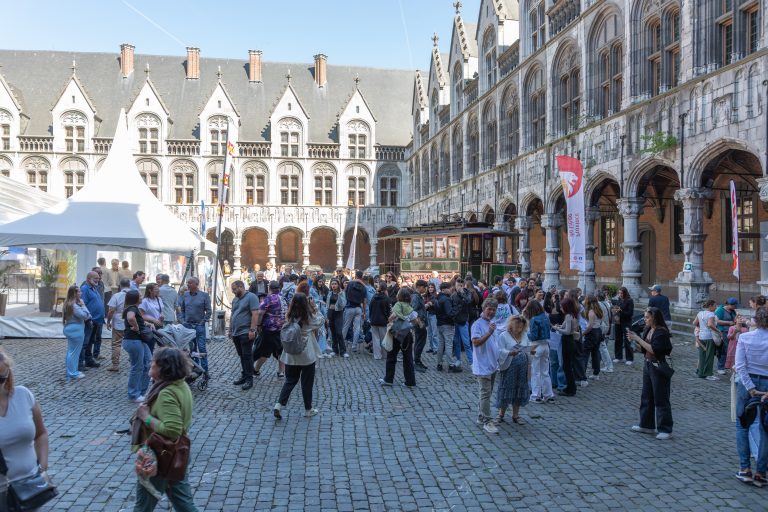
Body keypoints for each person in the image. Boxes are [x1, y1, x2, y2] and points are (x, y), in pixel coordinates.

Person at [134, 347, 199, 511]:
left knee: (142, 506)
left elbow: (172, 429)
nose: (151, 364)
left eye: (154, 363)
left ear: (163, 368)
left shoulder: (166, 393)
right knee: (184, 504)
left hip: (162, 456)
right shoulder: (181, 386)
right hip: (177, 454)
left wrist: (145, 417)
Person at [0, 348, 51, 491]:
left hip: (30, 489)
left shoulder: (23, 395)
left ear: (8, 374)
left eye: (0, 379)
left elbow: (41, 434)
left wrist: (42, 467)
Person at [273, 293, 325, 419]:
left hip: (291, 354)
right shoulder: (308, 316)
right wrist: (315, 308)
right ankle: (308, 409)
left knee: (290, 380)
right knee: (307, 383)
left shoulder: (289, 315)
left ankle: (279, 405)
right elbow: (321, 321)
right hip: (306, 353)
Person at [733, 306, 768, 486]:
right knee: (766, 428)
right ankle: (761, 472)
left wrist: (751, 388)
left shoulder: (745, 338)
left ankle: (745, 468)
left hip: (748, 383)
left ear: (755, 320)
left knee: (743, 425)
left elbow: (740, 366)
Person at [626, 307, 674, 440]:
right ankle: (647, 424)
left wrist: (638, 339)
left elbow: (654, 349)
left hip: (658, 365)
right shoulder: (648, 329)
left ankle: (665, 428)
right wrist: (634, 342)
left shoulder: (661, 332)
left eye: (647, 317)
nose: (645, 319)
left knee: (661, 397)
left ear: (654, 318)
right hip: (648, 364)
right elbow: (644, 349)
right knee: (646, 396)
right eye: (645, 317)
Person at [470, 298, 501, 434]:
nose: (491, 312)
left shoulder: (492, 323)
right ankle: (487, 421)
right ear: (484, 309)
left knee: (487, 393)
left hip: (492, 364)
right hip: (482, 365)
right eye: (489, 309)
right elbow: (476, 342)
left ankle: (482, 416)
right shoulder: (477, 325)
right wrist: (489, 333)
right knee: (485, 394)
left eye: (494, 310)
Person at [496, 314, 532, 423]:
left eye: (521, 327)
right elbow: (499, 350)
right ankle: (501, 414)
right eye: (517, 327)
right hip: (509, 367)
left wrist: (531, 351)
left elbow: (528, 346)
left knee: (519, 389)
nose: (519, 329)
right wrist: (509, 353)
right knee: (506, 388)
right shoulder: (503, 335)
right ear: (511, 325)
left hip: (522, 367)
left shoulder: (524, 335)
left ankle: (515, 415)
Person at [380, 288, 417, 387]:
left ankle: (388, 379)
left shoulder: (397, 305)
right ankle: (410, 381)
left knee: (391, 356)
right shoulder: (410, 307)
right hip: (407, 334)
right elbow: (415, 321)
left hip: (397, 333)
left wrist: (390, 319)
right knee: (408, 357)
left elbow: (392, 317)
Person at [228, 281, 260, 390]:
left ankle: (249, 379)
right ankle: (244, 375)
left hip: (246, 331)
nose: (233, 291)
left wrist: (252, 329)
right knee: (242, 355)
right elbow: (233, 315)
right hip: (236, 332)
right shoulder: (235, 299)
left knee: (247, 355)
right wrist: (230, 330)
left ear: (241, 286)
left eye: (234, 289)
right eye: (232, 289)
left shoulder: (251, 297)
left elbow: (255, 314)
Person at [122, 290, 152, 402]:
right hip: (133, 341)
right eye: (139, 295)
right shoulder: (132, 308)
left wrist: (146, 324)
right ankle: (134, 394)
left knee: (149, 364)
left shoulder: (134, 308)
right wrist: (136, 327)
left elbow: (136, 319)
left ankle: (141, 392)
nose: (141, 296)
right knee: (137, 367)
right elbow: (130, 318)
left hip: (139, 340)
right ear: (135, 298)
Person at [254, 281, 288, 376]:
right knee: (280, 350)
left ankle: (255, 369)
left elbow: (260, 313)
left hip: (269, 329)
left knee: (264, 350)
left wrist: (258, 325)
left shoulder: (269, 299)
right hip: (282, 328)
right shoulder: (284, 298)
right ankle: (281, 371)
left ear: (270, 289)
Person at [179, 277, 211, 374]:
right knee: (192, 349)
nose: (187, 284)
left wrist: (202, 322)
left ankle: (205, 371)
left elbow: (209, 311)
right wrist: (183, 320)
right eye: (187, 283)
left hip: (199, 326)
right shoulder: (185, 295)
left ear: (196, 284)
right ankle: (196, 369)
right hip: (188, 326)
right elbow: (182, 309)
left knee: (202, 348)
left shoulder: (204, 295)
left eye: (190, 283)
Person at [523, 300, 553, 403]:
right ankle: (548, 394)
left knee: (535, 372)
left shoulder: (534, 319)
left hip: (536, 346)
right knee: (545, 371)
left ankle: (536, 395)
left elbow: (533, 336)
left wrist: (526, 333)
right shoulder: (545, 317)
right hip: (545, 345)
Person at [63, 284, 90, 380]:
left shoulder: (68, 303)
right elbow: (85, 316)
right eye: (79, 291)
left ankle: (71, 371)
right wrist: (83, 305)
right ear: (74, 293)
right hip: (76, 330)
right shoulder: (74, 305)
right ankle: (72, 373)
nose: (81, 293)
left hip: (71, 328)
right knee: (74, 352)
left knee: (71, 351)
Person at [554, 298, 580, 396]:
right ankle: (571, 387)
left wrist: (557, 328)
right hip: (569, 342)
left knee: (567, 366)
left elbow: (568, 331)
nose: (560, 308)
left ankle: (571, 389)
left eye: (561, 306)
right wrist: (560, 327)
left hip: (568, 342)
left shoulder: (569, 316)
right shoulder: (570, 315)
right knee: (567, 366)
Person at [80, 270, 104, 369]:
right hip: (89, 320)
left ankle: (89, 359)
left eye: (98, 278)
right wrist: (88, 319)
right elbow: (82, 304)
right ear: (88, 279)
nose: (97, 280)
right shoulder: (85, 289)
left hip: (96, 320)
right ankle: (80, 363)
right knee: (85, 342)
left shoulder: (94, 288)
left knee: (91, 341)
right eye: (95, 279)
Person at [106, 278, 131, 372]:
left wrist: (108, 321)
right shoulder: (134, 294)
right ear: (129, 285)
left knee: (116, 344)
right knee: (132, 342)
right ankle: (134, 361)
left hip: (119, 322)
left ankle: (115, 364)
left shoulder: (116, 295)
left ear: (120, 286)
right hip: (131, 322)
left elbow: (111, 310)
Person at [342, 271, 368, 353]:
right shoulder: (364, 287)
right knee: (357, 328)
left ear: (356, 276)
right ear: (362, 277)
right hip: (358, 308)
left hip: (349, 307)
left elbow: (344, 294)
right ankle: (354, 346)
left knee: (345, 326)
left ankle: (342, 344)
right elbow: (364, 301)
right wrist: (364, 312)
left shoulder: (350, 284)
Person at [694, 299, 719, 381]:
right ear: (710, 306)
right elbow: (710, 324)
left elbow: (694, 323)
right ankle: (708, 374)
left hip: (701, 336)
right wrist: (718, 331)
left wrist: (701, 327)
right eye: (715, 306)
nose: (716, 307)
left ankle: (701, 373)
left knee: (702, 355)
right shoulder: (711, 314)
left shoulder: (700, 313)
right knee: (709, 356)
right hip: (709, 336)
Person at [581, 295, 603, 381]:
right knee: (595, 353)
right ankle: (596, 373)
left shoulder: (591, 312)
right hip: (598, 331)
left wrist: (583, 333)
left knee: (585, 354)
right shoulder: (598, 310)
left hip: (592, 333)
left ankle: (583, 377)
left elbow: (590, 326)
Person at [435, 282, 457, 372]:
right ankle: (451, 365)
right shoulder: (446, 299)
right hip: (447, 324)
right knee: (448, 345)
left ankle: (439, 364)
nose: (451, 289)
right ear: (444, 289)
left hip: (440, 324)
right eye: (449, 288)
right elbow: (449, 313)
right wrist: (456, 309)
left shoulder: (438, 298)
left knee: (441, 345)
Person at [715, 298, 739, 375]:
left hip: (731, 332)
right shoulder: (720, 310)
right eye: (734, 305)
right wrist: (729, 322)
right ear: (729, 304)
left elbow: (734, 320)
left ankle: (727, 366)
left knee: (730, 349)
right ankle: (720, 367)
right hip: (723, 332)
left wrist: (737, 318)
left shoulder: (733, 311)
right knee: (724, 349)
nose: (736, 307)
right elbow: (717, 321)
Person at [369, 282, 391, 361]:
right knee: (383, 339)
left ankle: (377, 355)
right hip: (383, 321)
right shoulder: (387, 299)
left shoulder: (374, 297)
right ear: (385, 289)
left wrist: (371, 317)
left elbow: (370, 308)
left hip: (374, 320)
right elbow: (389, 310)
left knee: (375, 339)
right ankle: (384, 355)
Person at [612, 287, 634, 366]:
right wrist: (615, 310)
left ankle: (629, 358)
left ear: (625, 293)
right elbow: (616, 308)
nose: (620, 294)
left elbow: (630, 313)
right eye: (619, 293)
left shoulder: (629, 301)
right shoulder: (618, 300)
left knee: (628, 340)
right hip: (618, 322)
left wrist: (621, 311)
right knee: (618, 339)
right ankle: (618, 357)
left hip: (626, 322)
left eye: (621, 293)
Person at [325, 279, 347, 357]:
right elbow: (327, 305)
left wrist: (340, 295)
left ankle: (343, 351)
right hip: (331, 313)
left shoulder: (341, 293)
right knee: (333, 333)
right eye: (332, 284)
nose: (333, 285)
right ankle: (335, 350)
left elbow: (343, 304)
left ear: (338, 285)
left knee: (339, 332)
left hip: (338, 314)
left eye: (335, 284)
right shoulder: (329, 293)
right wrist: (326, 316)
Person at [411, 279, 429, 372]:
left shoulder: (418, 296)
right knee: (419, 342)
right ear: (420, 287)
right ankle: (416, 362)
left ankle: (417, 361)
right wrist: (419, 322)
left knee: (420, 342)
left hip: (420, 322)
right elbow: (413, 310)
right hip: (419, 323)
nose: (426, 289)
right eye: (425, 287)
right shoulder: (415, 297)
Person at [597, 292, 614, 373]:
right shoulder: (607, 303)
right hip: (606, 326)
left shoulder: (599, 304)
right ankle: (606, 365)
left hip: (602, 327)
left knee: (603, 347)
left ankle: (609, 366)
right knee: (603, 347)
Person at [424, 282, 440, 353]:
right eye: (429, 287)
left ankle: (436, 348)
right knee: (429, 333)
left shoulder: (436, 296)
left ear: (434, 288)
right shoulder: (426, 295)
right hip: (427, 314)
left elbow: (437, 306)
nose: (430, 288)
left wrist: (431, 304)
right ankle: (431, 347)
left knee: (434, 333)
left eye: (432, 287)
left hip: (433, 315)